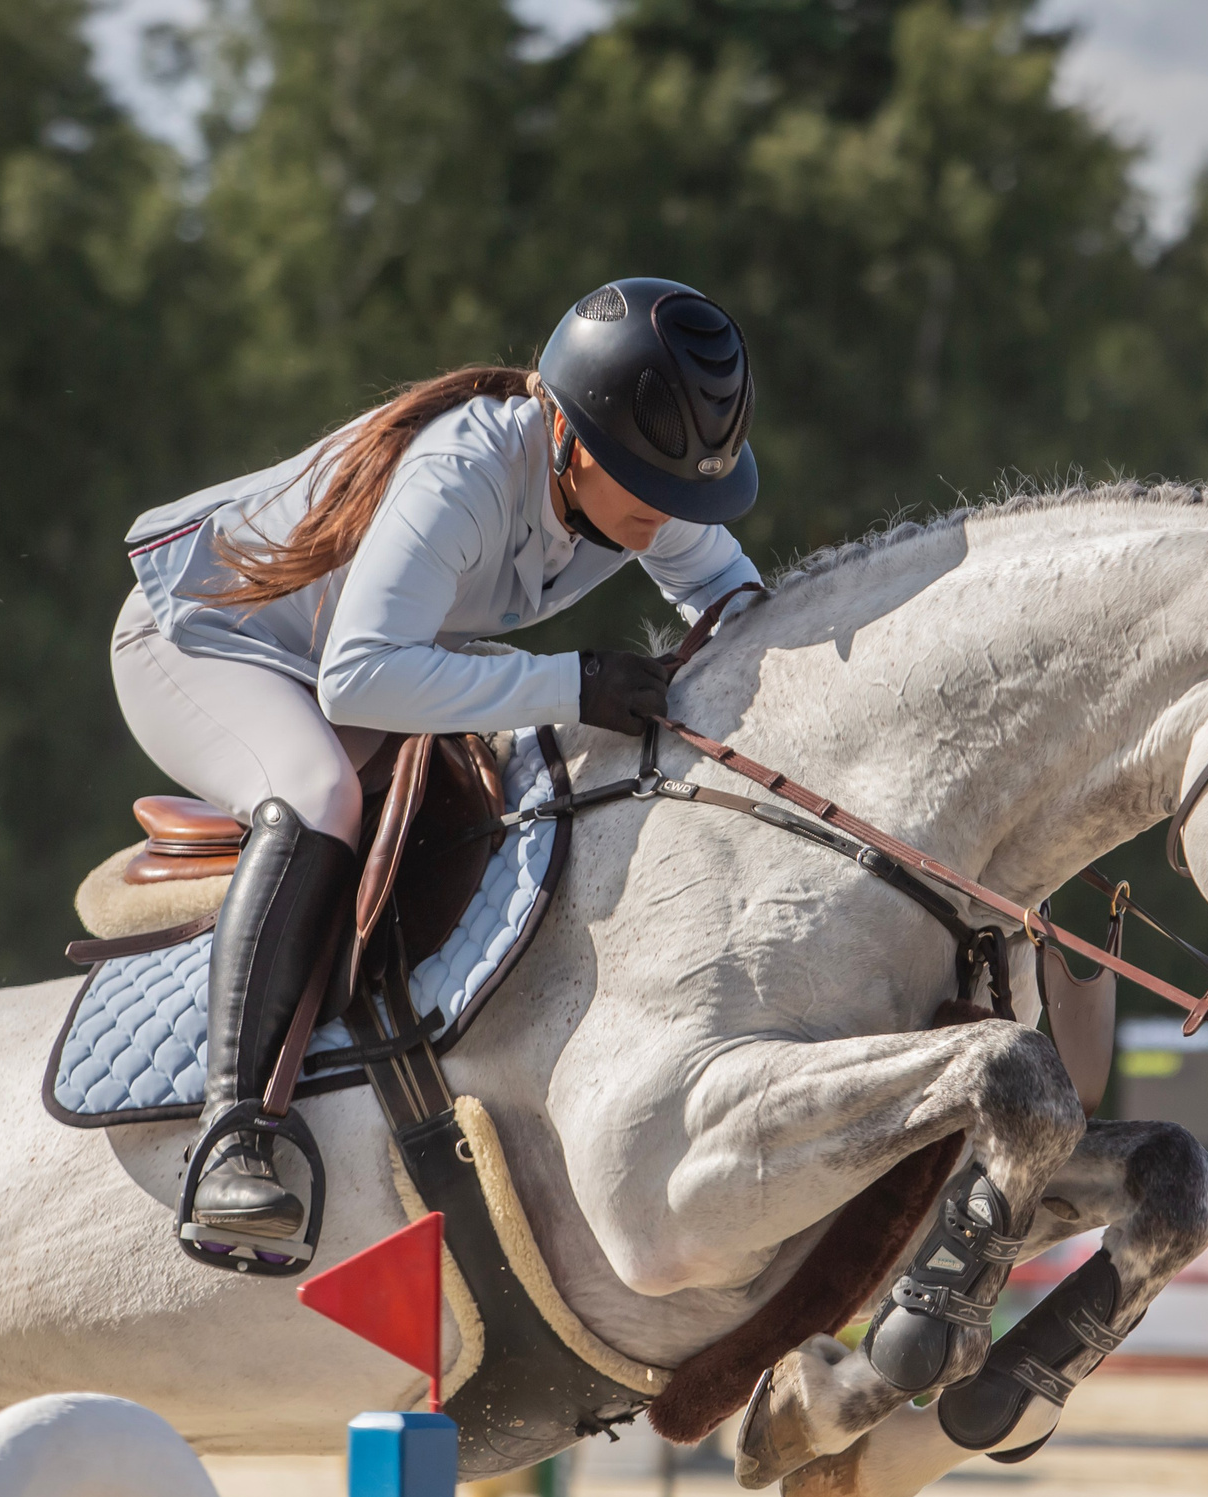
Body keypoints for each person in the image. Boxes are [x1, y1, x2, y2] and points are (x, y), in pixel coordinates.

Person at [114, 278, 765, 1258]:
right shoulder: (463, 471)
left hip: (352, 655)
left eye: (689, 492)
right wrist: (573, 682)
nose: (673, 514)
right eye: (653, 484)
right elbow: (360, 679)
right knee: (319, 793)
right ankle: (232, 1133)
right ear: (571, 437)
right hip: (200, 643)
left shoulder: (639, 487)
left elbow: (733, 599)